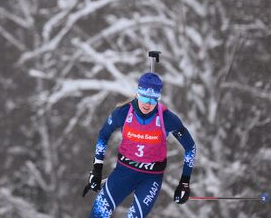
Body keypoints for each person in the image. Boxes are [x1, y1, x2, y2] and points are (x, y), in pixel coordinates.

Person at [83, 72, 196, 218]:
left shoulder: (167, 119)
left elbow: (190, 147)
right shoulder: (122, 113)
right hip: (123, 173)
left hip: (151, 178)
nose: (147, 104)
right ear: (137, 93)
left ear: (158, 98)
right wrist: (97, 169)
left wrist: (184, 183)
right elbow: (103, 135)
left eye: (153, 99)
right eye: (143, 97)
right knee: (98, 214)